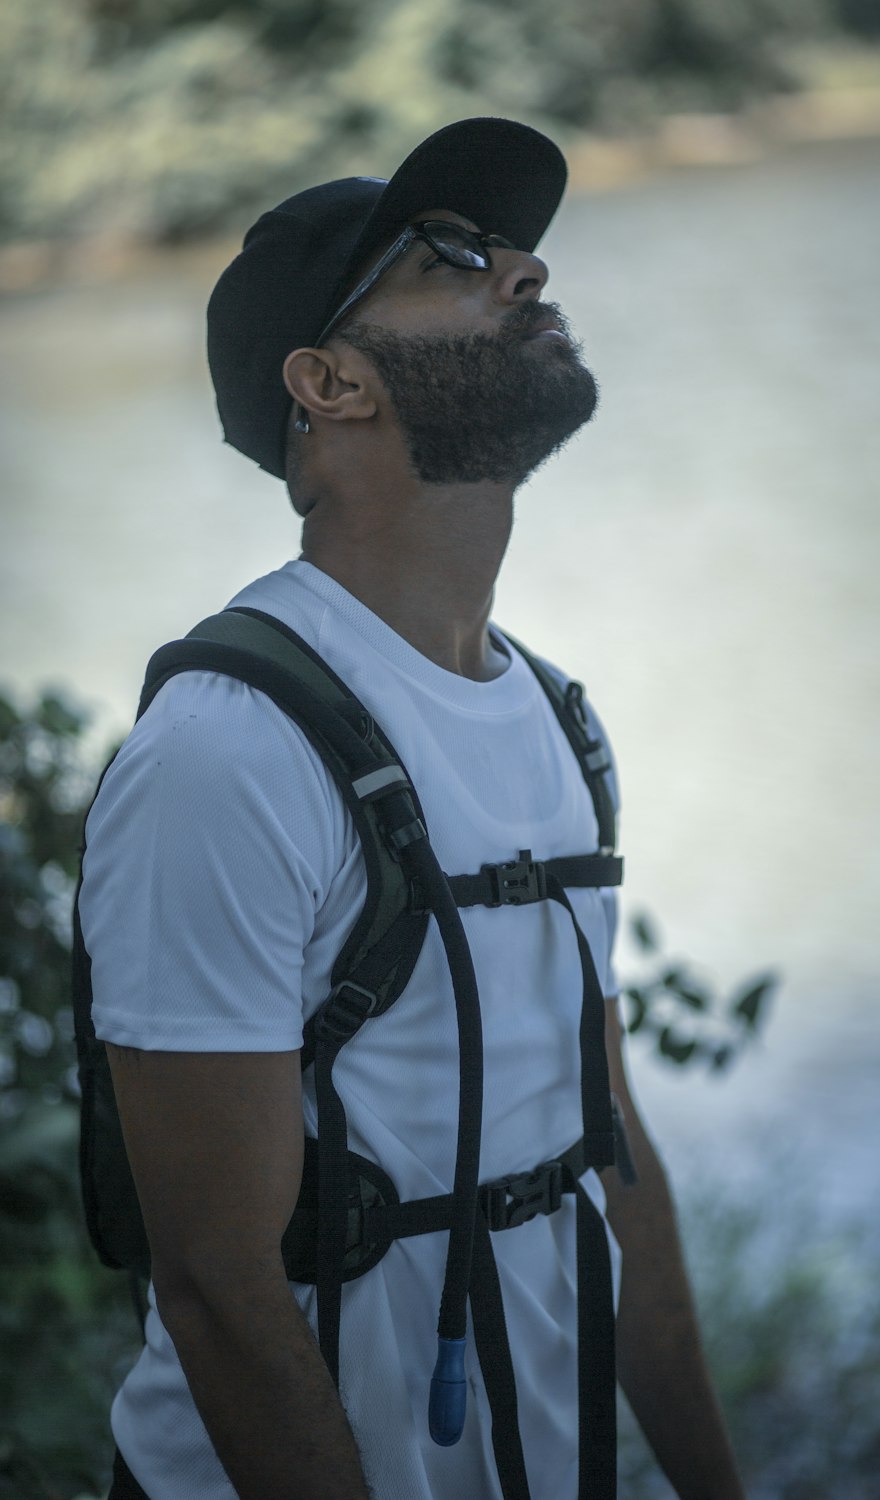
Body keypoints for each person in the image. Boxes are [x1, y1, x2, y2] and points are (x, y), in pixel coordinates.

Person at [79, 116, 746, 1500]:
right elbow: (215, 1286)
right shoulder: (230, 750)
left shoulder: (560, 718)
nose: (527, 271)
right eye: (455, 255)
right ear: (328, 383)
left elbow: (611, 1163)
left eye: (511, 248)